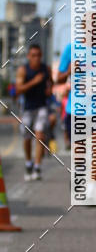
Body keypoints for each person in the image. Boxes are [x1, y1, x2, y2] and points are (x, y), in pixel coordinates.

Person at [15, 44, 52, 181]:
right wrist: (34, 82)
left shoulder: (45, 69)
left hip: (42, 107)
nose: (36, 58)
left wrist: (49, 90)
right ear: (29, 56)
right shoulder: (23, 70)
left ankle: (37, 166)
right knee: (26, 138)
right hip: (27, 109)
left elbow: (50, 83)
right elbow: (18, 90)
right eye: (33, 55)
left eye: (38, 55)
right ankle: (28, 163)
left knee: (40, 135)